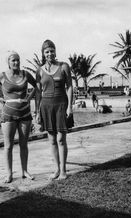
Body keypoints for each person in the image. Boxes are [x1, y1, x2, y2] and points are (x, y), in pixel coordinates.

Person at [0, 51, 37, 183]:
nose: (16, 62)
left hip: (25, 113)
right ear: (8, 62)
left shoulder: (25, 74)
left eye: (18, 60)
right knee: (8, 146)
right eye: (13, 60)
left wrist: (29, 97)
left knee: (24, 145)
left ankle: (25, 171)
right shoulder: (1, 76)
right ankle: (9, 174)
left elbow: (37, 85)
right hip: (8, 114)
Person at [35, 39, 73, 180]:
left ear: (55, 51)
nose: (50, 53)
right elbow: (38, 93)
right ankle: (56, 169)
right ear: (43, 54)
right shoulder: (39, 70)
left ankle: (63, 171)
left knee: (61, 139)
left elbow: (69, 86)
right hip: (46, 106)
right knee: (51, 140)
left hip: (61, 104)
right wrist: (37, 112)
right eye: (47, 51)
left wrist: (70, 106)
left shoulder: (64, 66)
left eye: (52, 50)